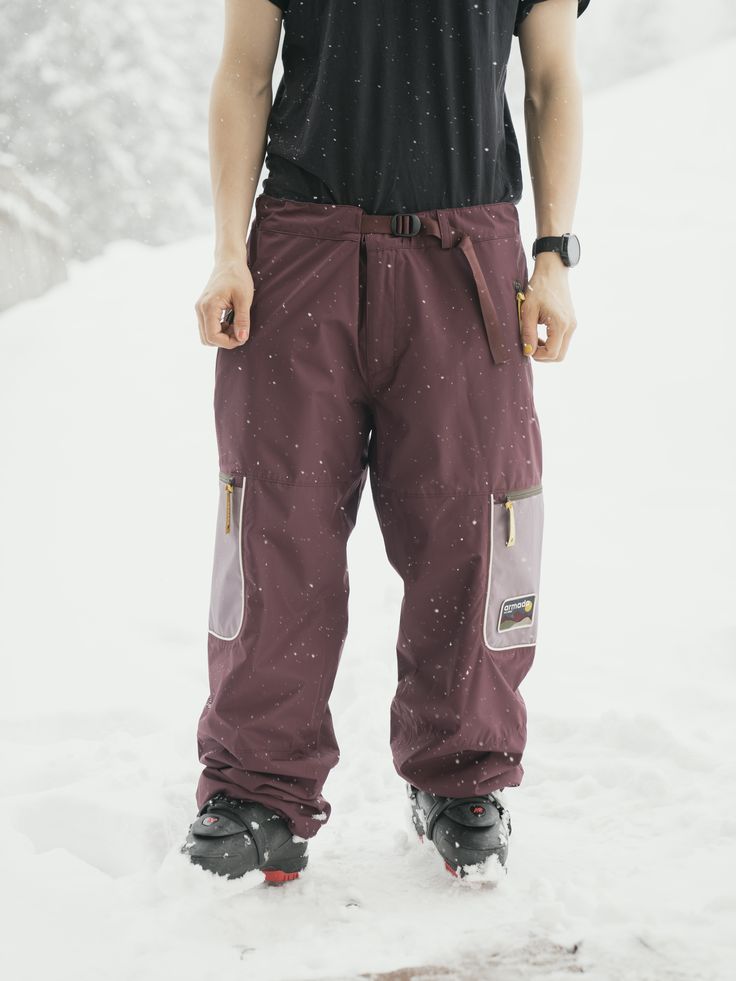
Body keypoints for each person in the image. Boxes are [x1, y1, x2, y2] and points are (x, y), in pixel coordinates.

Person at [182, 0, 589, 884]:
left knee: (475, 521)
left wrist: (553, 254)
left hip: (468, 251)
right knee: (272, 525)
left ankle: (463, 775)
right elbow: (245, 72)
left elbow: (552, 77)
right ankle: (258, 787)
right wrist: (227, 250)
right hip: (301, 245)